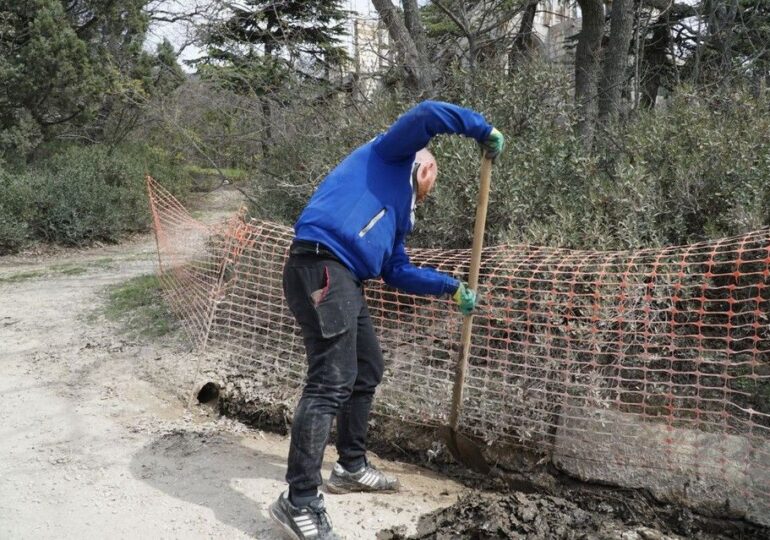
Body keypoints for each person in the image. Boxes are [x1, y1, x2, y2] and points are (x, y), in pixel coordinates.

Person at [269, 100, 504, 540]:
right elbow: (428, 113)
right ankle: (298, 499)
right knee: (329, 381)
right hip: (321, 264)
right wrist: (481, 129)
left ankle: (350, 465)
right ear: (426, 168)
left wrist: (451, 287)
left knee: (367, 368)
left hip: (347, 279)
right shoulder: (389, 153)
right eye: (432, 176)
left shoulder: (397, 215)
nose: (431, 187)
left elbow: (396, 271)